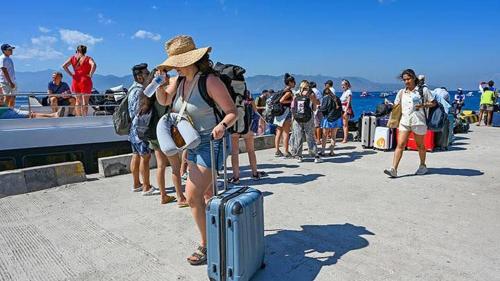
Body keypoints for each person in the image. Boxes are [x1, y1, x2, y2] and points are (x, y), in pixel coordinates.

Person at [155, 35, 237, 266]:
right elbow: (164, 101)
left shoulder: (210, 81)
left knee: (192, 196)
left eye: (178, 62)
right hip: (191, 142)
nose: (175, 67)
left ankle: (207, 245)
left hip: (212, 142)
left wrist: (222, 127)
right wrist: (160, 85)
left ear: (190, 60)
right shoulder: (178, 81)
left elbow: (232, 112)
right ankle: (218, 233)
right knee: (208, 195)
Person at [384, 69, 437, 178]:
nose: (406, 81)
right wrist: (388, 106)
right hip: (404, 121)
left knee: (420, 145)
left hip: (418, 121)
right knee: (400, 144)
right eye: (404, 80)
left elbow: (433, 103)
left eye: (408, 79)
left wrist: (422, 105)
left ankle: (422, 165)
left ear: (413, 78)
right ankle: (394, 169)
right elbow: (396, 105)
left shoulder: (423, 90)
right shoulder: (401, 92)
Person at [147, 88, 189, 206]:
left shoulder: (149, 95)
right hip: (165, 134)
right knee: (175, 167)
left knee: (161, 166)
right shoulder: (165, 97)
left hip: (153, 134)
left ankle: (163, 195)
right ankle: (180, 197)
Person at [127, 63, 159, 196]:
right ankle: (146, 187)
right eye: (147, 73)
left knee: (136, 155)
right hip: (141, 128)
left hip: (133, 129)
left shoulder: (131, 89)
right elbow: (139, 110)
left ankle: (136, 184)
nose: (148, 75)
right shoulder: (140, 91)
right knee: (145, 157)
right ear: (139, 76)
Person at [229, 93, 268, 184]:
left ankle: (236, 177)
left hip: (234, 127)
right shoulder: (247, 93)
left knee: (234, 153)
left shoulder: (229, 93)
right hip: (247, 127)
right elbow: (255, 111)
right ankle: (255, 173)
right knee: (251, 151)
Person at [289, 80, 322, 163]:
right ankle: (315, 156)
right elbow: (314, 108)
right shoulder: (311, 94)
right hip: (308, 118)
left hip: (297, 118)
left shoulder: (296, 94)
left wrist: (293, 118)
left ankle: (299, 156)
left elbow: (292, 107)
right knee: (310, 136)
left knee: (298, 136)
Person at [62, 45, 96, 116]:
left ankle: (79, 117)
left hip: (76, 80)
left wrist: (71, 74)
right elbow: (94, 65)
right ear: (85, 51)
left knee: (78, 100)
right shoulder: (88, 58)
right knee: (85, 101)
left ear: (77, 51)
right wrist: (90, 74)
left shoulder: (73, 58)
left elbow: (64, 66)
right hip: (85, 80)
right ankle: (84, 117)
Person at [274, 73, 295, 158]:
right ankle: (286, 151)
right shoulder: (288, 92)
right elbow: (282, 101)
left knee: (278, 132)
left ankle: (277, 150)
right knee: (286, 133)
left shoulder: (282, 90)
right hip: (285, 113)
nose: (295, 83)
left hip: (279, 113)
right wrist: (291, 102)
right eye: (293, 82)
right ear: (290, 82)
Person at [319, 80, 342, 156]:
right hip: (336, 118)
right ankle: (331, 151)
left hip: (328, 119)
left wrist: (319, 108)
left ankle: (323, 151)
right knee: (333, 135)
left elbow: (323, 109)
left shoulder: (326, 98)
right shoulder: (337, 98)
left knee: (325, 135)